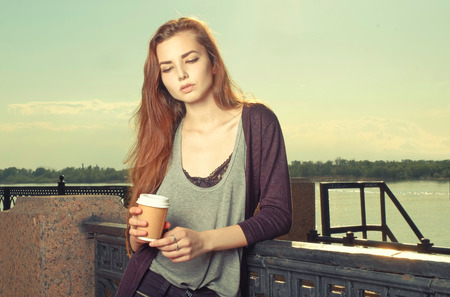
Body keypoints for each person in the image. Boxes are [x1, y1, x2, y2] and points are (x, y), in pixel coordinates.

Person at [116, 17, 292, 297]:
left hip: (214, 289)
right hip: (148, 283)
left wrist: (204, 241)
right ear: (160, 80)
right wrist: (136, 235)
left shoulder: (258, 123)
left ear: (213, 62)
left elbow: (278, 215)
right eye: (168, 68)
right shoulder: (163, 133)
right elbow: (139, 245)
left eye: (191, 60)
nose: (182, 75)